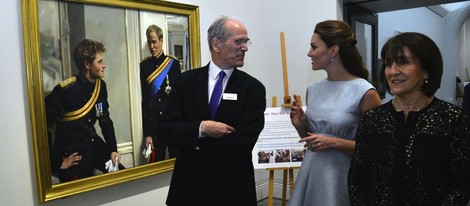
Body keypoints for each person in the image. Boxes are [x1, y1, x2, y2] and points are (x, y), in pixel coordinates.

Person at [348, 32, 470, 205]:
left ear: (426, 71)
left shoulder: (452, 119)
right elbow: (357, 179)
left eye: (403, 62)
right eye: (388, 64)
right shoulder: (372, 119)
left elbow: (460, 186)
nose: (392, 71)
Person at [156, 16, 266, 206]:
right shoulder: (184, 83)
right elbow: (165, 130)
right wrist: (201, 128)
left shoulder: (253, 89)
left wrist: (194, 144)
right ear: (216, 44)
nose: (245, 48)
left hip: (232, 191)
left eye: (246, 42)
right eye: (238, 41)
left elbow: (243, 143)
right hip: (189, 190)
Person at [288, 20, 382, 206]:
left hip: (344, 178)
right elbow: (314, 143)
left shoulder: (365, 92)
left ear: (333, 50)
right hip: (312, 174)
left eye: (314, 47)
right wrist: (301, 126)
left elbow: (377, 148)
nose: (309, 53)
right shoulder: (313, 89)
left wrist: (335, 143)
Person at [45, 39, 123, 183]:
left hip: (93, 145)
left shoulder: (100, 86)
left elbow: (104, 119)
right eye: (99, 62)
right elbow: (41, 126)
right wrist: (57, 161)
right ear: (87, 64)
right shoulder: (65, 91)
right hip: (73, 154)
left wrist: (113, 149)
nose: (104, 65)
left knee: (123, 176)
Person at [140, 24, 181, 162]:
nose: (152, 46)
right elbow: (145, 102)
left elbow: (179, 98)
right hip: (155, 125)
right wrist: (147, 134)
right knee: (157, 163)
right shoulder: (144, 66)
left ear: (161, 41)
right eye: (149, 42)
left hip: (173, 122)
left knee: (177, 162)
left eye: (154, 42)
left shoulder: (173, 64)